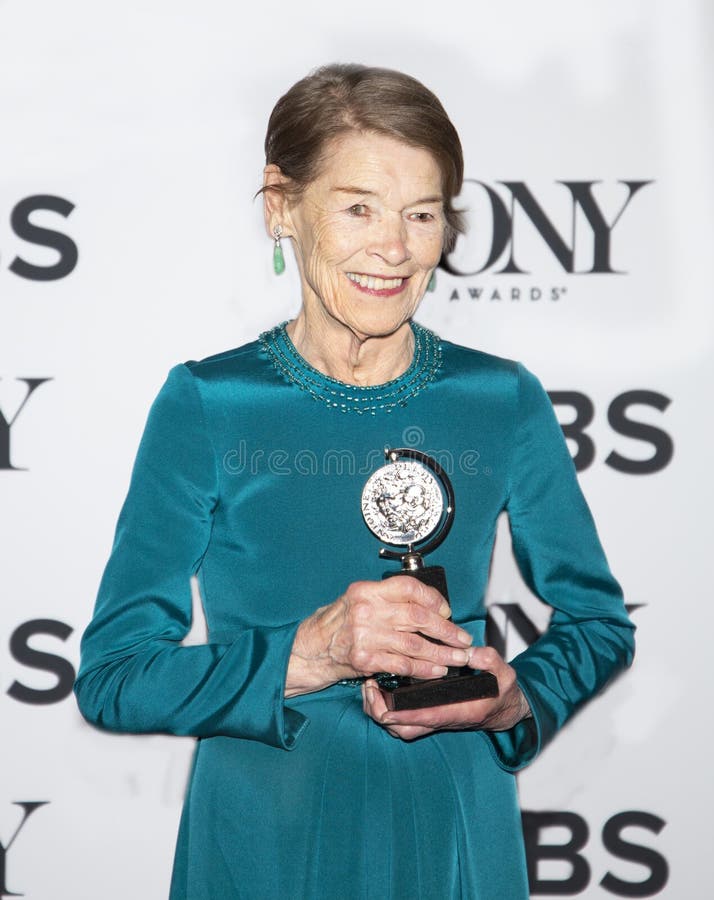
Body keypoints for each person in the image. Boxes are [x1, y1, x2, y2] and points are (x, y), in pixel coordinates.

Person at [74, 63, 635, 899]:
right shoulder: (208, 404)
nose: (396, 248)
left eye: (422, 214)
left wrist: (515, 700)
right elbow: (114, 678)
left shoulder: (501, 399)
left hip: (453, 830)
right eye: (359, 208)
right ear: (282, 206)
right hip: (264, 839)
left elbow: (598, 623)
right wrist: (307, 655)